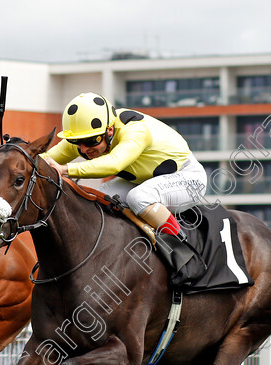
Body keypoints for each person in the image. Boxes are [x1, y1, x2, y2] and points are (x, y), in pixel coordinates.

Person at [41, 93, 208, 270]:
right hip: (148, 181)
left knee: (139, 197)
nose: (84, 149)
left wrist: (65, 169)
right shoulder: (90, 135)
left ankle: (184, 251)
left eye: (90, 141)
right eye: (76, 142)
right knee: (102, 195)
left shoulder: (136, 131)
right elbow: (44, 159)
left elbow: (114, 163)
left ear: (110, 130)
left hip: (189, 179)